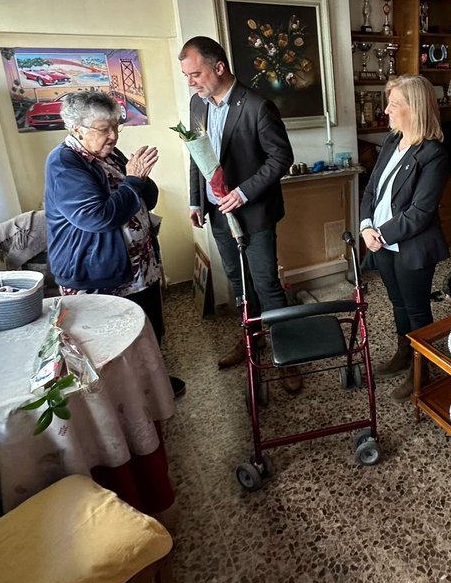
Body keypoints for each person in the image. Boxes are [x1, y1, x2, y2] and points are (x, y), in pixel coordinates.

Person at [179, 36, 299, 392]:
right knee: (239, 283)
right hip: (216, 215)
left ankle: (287, 354)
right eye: (186, 75)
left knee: (267, 284)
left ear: (219, 67)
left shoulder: (258, 106)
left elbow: (281, 158)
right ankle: (254, 339)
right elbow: (195, 154)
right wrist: (195, 201)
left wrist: (243, 193)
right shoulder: (196, 105)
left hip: (256, 212)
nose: (191, 82)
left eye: (195, 74)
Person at [43, 91, 183, 397]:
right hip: (99, 273)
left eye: (116, 127)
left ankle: (153, 385)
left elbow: (143, 197)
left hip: (137, 267)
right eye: (104, 129)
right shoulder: (65, 165)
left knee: (147, 331)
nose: (113, 135)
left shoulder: (108, 153)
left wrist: (141, 180)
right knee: (112, 346)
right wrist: (134, 180)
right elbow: (98, 217)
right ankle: (125, 402)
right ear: (76, 129)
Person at [359, 75, 449, 399]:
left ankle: (422, 370)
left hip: (410, 246)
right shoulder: (390, 142)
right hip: (381, 242)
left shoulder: (433, 155)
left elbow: (420, 214)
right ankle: (404, 353)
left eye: (395, 104)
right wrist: (366, 226)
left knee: (417, 308)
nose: (387, 110)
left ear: (416, 108)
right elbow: (371, 190)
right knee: (398, 304)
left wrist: (379, 234)